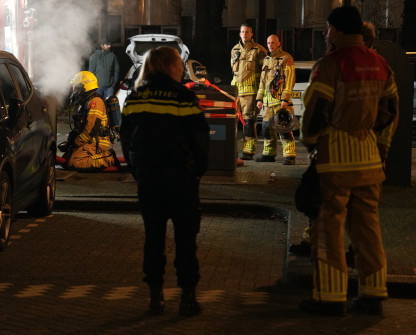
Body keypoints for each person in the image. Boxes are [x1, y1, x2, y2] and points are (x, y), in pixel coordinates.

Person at [298, 5, 399, 316]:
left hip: (335, 160)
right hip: (369, 161)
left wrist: (312, 145)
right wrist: (380, 150)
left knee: (328, 229)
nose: (326, 34)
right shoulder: (381, 64)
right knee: (368, 229)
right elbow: (391, 113)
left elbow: (315, 112)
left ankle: (329, 298)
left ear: (337, 30)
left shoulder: (330, 64)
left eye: (328, 29)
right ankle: (373, 295)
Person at [120, 46, 210, 317]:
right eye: (179, 65)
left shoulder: (136, 96)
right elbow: (201, 138)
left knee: (153, 238)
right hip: (180, 177)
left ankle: (155, 297)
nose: (182, 68)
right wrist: (197, 172)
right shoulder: (182, 96)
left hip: (149, 177)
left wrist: (137, 170)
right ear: (171, 67)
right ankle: (187, 298)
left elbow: (125, 139)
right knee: (185, 239)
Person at [255, 34, 296, 165]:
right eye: (268, 43)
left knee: (284, 129)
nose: (270, 45)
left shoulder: (286, 58)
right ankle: (269, 154)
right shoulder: (266, 60)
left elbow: (289, 81)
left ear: (279, 43)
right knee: (267, 130)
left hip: (280, 102)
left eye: (273, 42)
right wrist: (259, 99)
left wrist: (285, 99)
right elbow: (262, 82)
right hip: (267, 104)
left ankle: (289, 156)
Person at [64, 71, 117, 171]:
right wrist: (70, 141)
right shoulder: (86, 101)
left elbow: (91, 129)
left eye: (76, 87)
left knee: (75, 163)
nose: (74, 91)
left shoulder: (95, 102)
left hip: (97, 142)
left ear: (84, 87)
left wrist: (77, 143)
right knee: (65, 159)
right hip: (89, 140)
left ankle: (109, 158)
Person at [230, 24, 267, 160]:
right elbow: (234, 72)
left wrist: (260, 95)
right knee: (232, 122)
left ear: (252, 34)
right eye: (242, 32)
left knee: (249, 122)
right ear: (239, 34)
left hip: (251, 92)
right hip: (235, 92)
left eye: (247, 32)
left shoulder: (259, 50)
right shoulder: (234, 50)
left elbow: (265, 74)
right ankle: (233, 150)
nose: (244, 34)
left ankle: (248, 151)